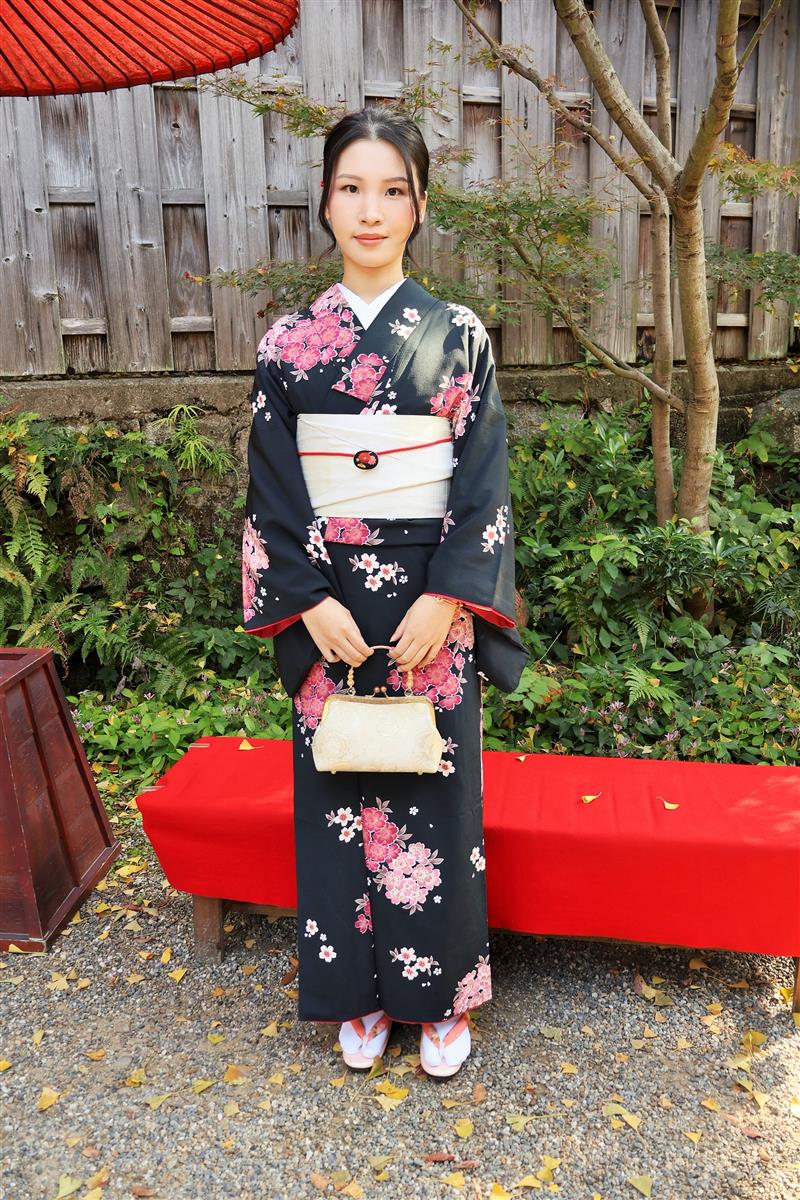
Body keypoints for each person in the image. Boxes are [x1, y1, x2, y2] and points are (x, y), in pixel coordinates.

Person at [242, 107, 528, 1078]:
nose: (371, 210)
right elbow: (273, 490)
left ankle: (439, 996)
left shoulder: (459, 336)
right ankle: (355, 993)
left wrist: (450, 598)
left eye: (392, 190)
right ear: (325, 203)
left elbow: (481, 481)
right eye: (351, 188)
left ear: (419, 206)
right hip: (327, 604)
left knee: (435, 801)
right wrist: (305, 599)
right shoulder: (288, 344)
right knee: (336, 791)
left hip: (431, 606)